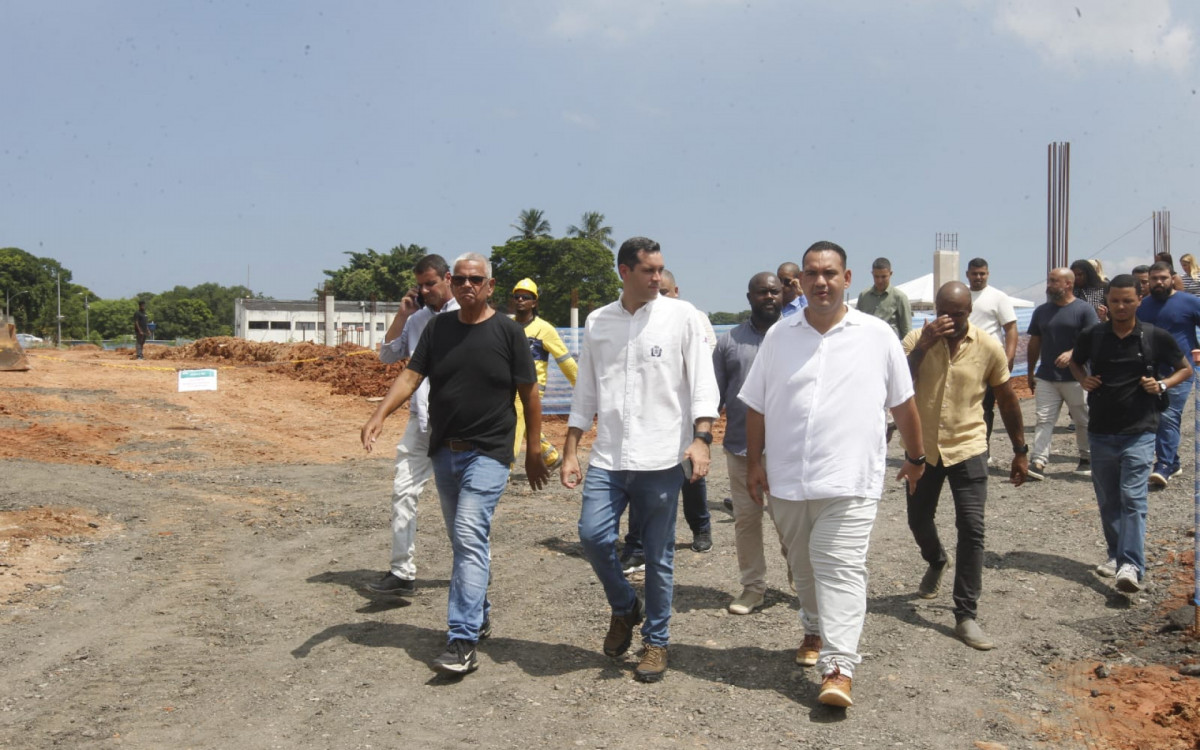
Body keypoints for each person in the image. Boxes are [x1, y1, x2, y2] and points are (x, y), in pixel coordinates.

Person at [740, 240, 924, 709]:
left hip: (850, 479)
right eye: (812, 274)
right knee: (803, 568)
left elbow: (903, 403)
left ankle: (839, 667)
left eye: (830, 273)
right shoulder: (781, 336)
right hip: (787, 478)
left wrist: (916, 456)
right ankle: (813, 627)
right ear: (800, 281)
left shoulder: (877, 334)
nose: (820, 282)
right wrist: (756, 462)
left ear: (847, 279)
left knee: (839, 567)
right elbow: (756, 405)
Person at [361, 252, 548, 676]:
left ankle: (461, 638)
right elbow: (411, 375)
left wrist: (533, 450)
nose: (467, 286)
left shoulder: (508, 332)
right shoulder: (438, 329)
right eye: (460, 279)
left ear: (489, 286)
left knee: (467, 533)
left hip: (490, 452)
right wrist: (380, 414)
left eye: (475, 280)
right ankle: (478, 612)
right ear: (453, 281)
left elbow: (529, 395)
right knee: (465, 541)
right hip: (445, 450)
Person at [561, 237, 719, 684]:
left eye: (660, 270)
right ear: (623, 271)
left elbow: (704, 384)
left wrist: (702, 438)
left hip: (662, 458)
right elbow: (586, 390)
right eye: (648, 270)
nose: (657, 278)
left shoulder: (682, 317)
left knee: (659, 555)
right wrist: (571, 449)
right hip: (609, 456)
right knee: (592, 536)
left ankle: (656, 642)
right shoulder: (599, 322)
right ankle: (625, 606)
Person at [902, 282, 1029, 651]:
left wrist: (1020, 450)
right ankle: (936, 559)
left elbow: (1006, 399)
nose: (951, 320)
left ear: (969, 310)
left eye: (958, 313)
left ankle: (965, 614)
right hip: (923, 450)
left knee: (972, 527)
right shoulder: (915, 340)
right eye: (944, 312)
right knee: (918, 519)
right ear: (934, 309)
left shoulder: (988, 347)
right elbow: (897, 385)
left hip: (969, 447)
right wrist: (924, 345)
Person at [1069, 274, 1191, 593]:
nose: (1121, 306)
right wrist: (1083, 379)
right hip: (1101, 432)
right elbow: (1075, 363)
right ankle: (1115, 554)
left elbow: (1185, 368)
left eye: (1127, 300)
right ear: (1106, 303)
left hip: (1140, 431)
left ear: (1139, 299)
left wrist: (1162, 384)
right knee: (1109, 499)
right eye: (1115, 301)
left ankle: (1131, 565)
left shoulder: (1155, 336)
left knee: (1133, 498)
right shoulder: (1093, 336)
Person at [367, 254, 458, 597]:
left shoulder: (465, 315)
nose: (425, 290)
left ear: (447, 279)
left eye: (431, 283)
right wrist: (403, 313)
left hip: (456, 423)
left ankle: (475, 566)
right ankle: (401, 572)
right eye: (420, 284)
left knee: (458, 503)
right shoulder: (417, 319)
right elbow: (388, 356)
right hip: (420, 422)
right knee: (403, 491)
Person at [621, 269, 716, 564]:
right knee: (640, 478)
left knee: (691, 476)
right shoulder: (636, 319)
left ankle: (700, 529)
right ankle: (636, 545)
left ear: (676, 291)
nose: (659, 298)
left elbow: (702, 367)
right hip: (645, 415)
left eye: (665, 292)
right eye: (655, 291)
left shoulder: (694, 318)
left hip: (683, 413)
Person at [713, 271, 789, 615]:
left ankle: (801, 583)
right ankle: (753, 588)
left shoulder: (796, 336)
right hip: (742, 449)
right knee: (746, 521)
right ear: (749, 298)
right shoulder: (728, 341)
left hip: (788, 451)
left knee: (790, 523)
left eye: (775, 291)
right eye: (762, 292)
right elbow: (713, 396)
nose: (769, 297)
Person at [1025, 268, 1099, 480]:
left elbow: (1093, 340)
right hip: (1047, 376)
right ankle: (1038, 461)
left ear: (1068, 284)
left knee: (1082, 419)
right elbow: (1035, 342)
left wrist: (1072, 353)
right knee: (1043, 419)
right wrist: (1031, 371)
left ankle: (1087, 457)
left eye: (1054, 281)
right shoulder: (1041, 312)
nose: (1048, 285)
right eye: (1049, 280)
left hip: (1077, 378)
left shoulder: (1084, 310)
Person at [1137, 262, 1200, 488]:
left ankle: (1163, 465)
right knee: (1155, 416)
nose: (1159, 282)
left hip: (1181, 370)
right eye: (1154, 279)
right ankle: (1173, 462)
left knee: (1168, 414)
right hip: (1151, 371)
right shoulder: (1142, 306)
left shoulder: (1190, 302)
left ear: (1172, 278)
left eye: (1163, 278)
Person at [509, 277, 577, 471]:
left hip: (531, 388)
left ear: (534, 302)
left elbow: (565, 361)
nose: (521, 300)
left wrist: (581, 386)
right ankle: (551, 457)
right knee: (525, 423)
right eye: (517, 296)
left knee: (514, 426)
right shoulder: (507, 326)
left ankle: (506, 468)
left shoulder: (545, 329)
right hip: (507, 387)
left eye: (526, 297)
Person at [965, 258, 1018, 449]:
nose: (978, 277)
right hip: (963, 360)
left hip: (989, 361)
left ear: (988, 274)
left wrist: (1009, 357)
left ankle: (983, 448)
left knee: (986, 405)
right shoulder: (961, 295)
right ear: (967, 274)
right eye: (974, 273)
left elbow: (1011, 328)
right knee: (967, 405)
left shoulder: (998, 297)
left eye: (982, 273)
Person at [856, 257, 912, 339]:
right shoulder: (863, 296)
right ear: (872, 274)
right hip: (867, 345)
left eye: (883, 277)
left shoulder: (900, 297)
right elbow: (857, 324)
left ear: (891, 274)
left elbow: (907, 330)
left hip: (890, 347)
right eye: (876, 276)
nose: (879, 280)